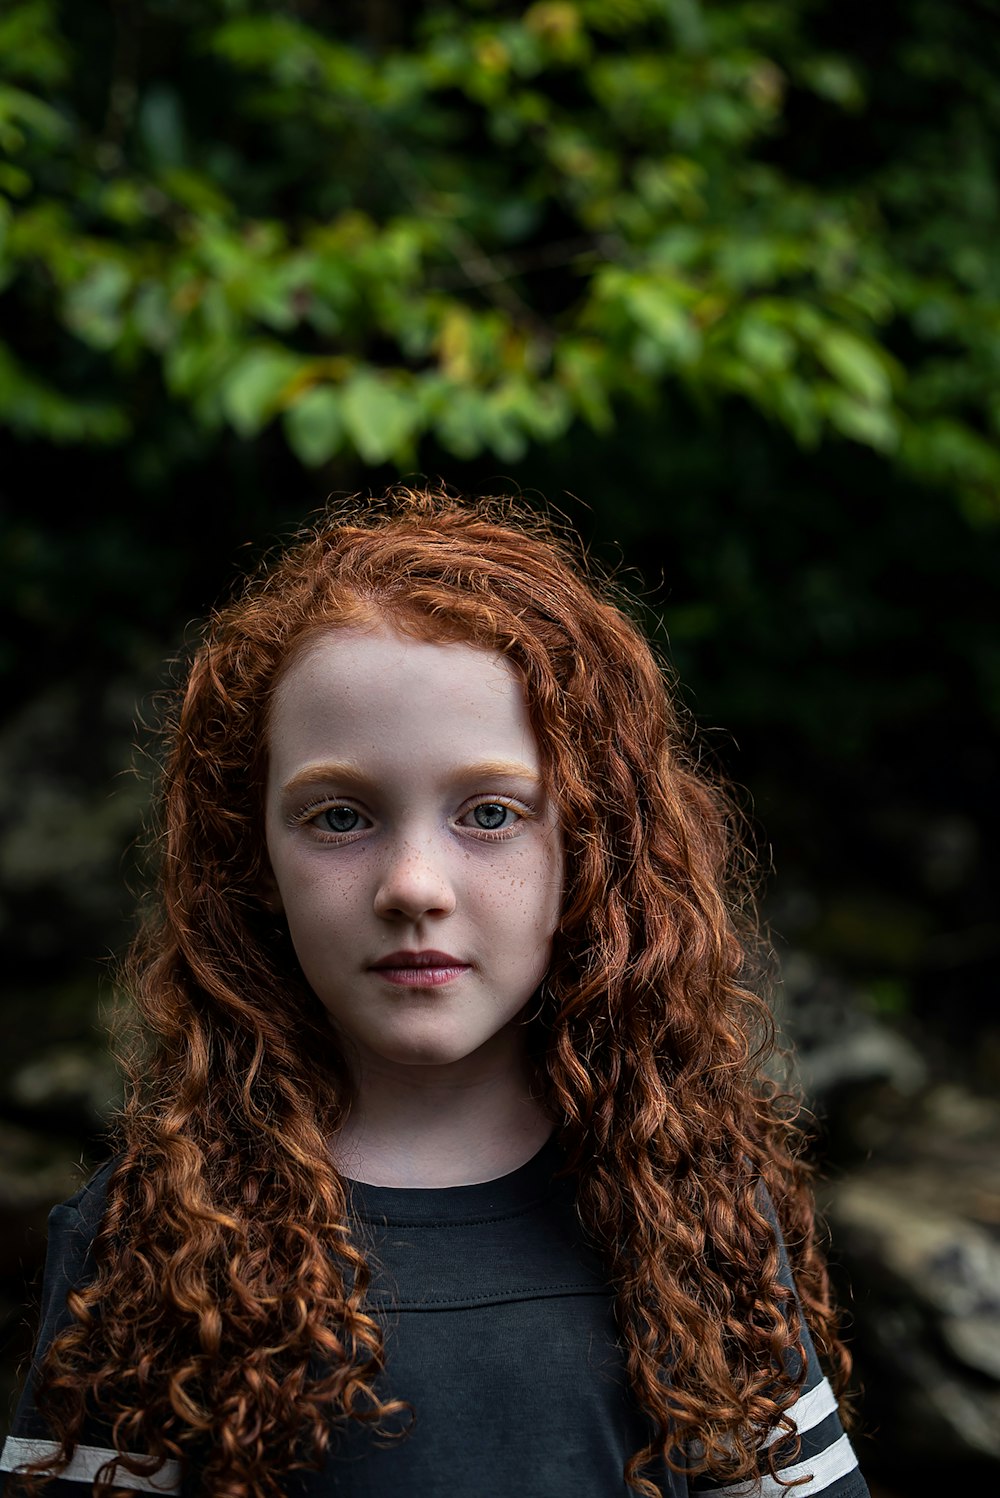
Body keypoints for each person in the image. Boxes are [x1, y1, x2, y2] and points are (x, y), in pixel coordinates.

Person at [0, 488, 869, 1498]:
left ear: (593, 849)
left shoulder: (692, 1218)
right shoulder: (155, 1237)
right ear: (251, 860)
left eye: (490, 812)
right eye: (338, 817)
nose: (412, 884)